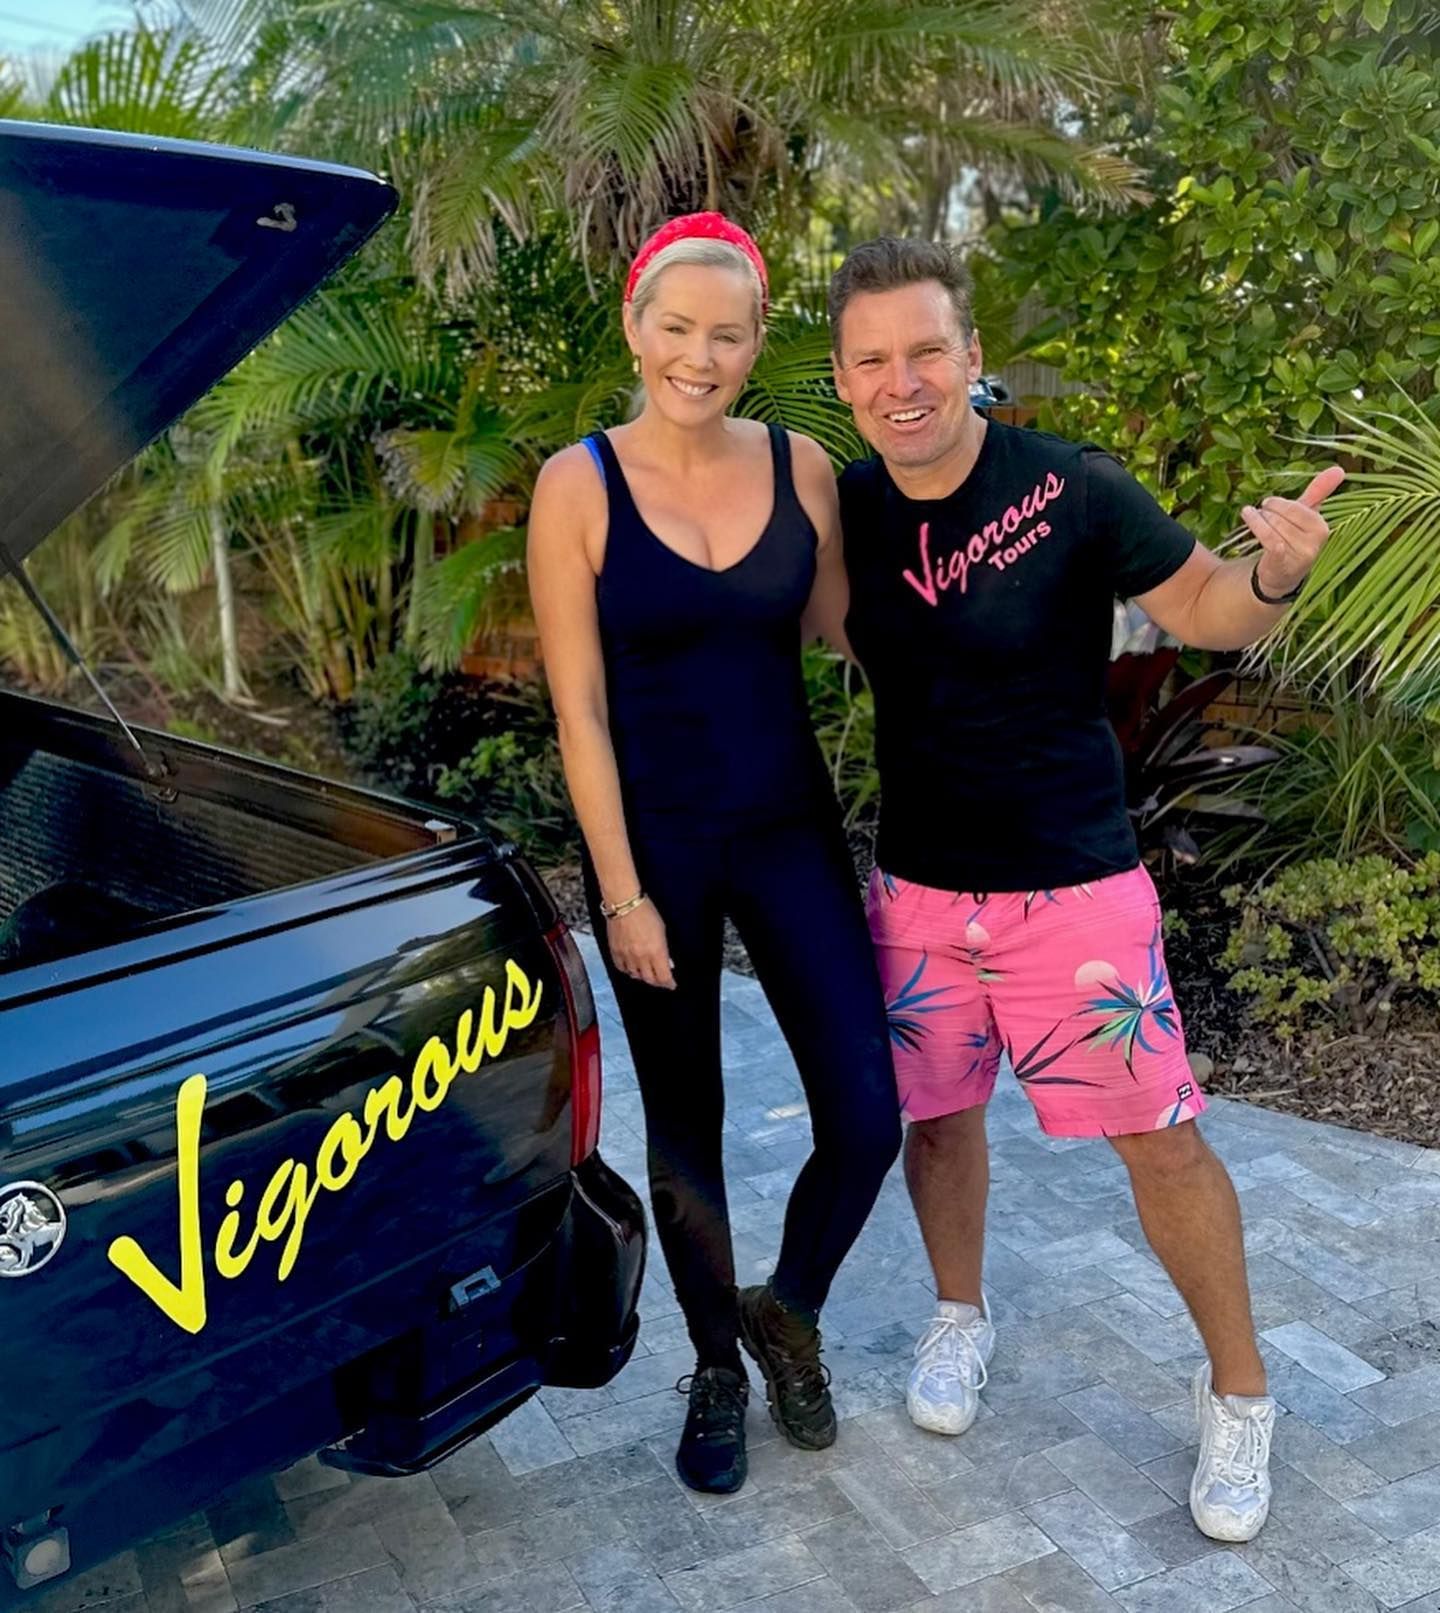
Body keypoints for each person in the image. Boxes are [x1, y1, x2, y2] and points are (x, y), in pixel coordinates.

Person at [823, 236, 1343, 1544]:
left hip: (1075, 893)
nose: (903, 381)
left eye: (926, 350)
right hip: (920, 897)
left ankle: (1241, 1391)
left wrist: (1277, 572)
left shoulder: (1070, 487)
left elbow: (1211, 605)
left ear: (971, 356)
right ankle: (959, 1317)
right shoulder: (842, 513)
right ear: (841, 380)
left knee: (1160, 1138)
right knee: (940, 1122)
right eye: (874, 359)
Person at [526, 214, 902, 1495]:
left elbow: (855, 630)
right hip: (657, 854)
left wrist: (1006, 608)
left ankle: (786, 1309)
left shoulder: (803, 466)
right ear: (636, 328)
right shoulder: (578, 484)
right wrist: (620, 888)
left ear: (756, 341)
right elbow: (579, 710)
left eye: (727, 334)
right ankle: (715, 1369)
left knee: (867, 1112)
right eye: (677, 327)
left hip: (790, 828)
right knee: (689, 1125)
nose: (700, 355)